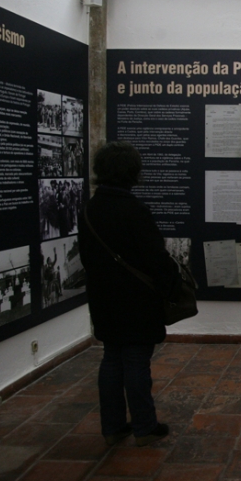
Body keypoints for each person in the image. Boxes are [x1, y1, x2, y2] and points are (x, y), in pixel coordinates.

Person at [78, 141, 178, 448]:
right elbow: (156, 258)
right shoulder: (135, 210)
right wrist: (170, 285)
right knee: (136, 361)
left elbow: (86, 256)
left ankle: (112, 426)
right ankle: (145, 427)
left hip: (103, 297)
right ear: (132, 172)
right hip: (137, 300)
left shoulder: (90, 209)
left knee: (111, 359)